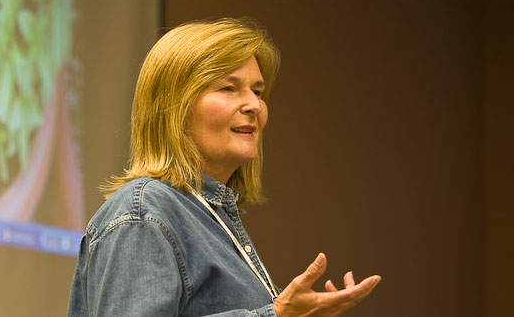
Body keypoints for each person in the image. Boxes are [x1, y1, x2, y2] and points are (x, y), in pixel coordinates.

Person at [67, 18, 381, 317]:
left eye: (257, 91)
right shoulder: (145, 211)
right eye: (229, 88)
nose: (254, 105)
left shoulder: (210, 216)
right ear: (175, 104)